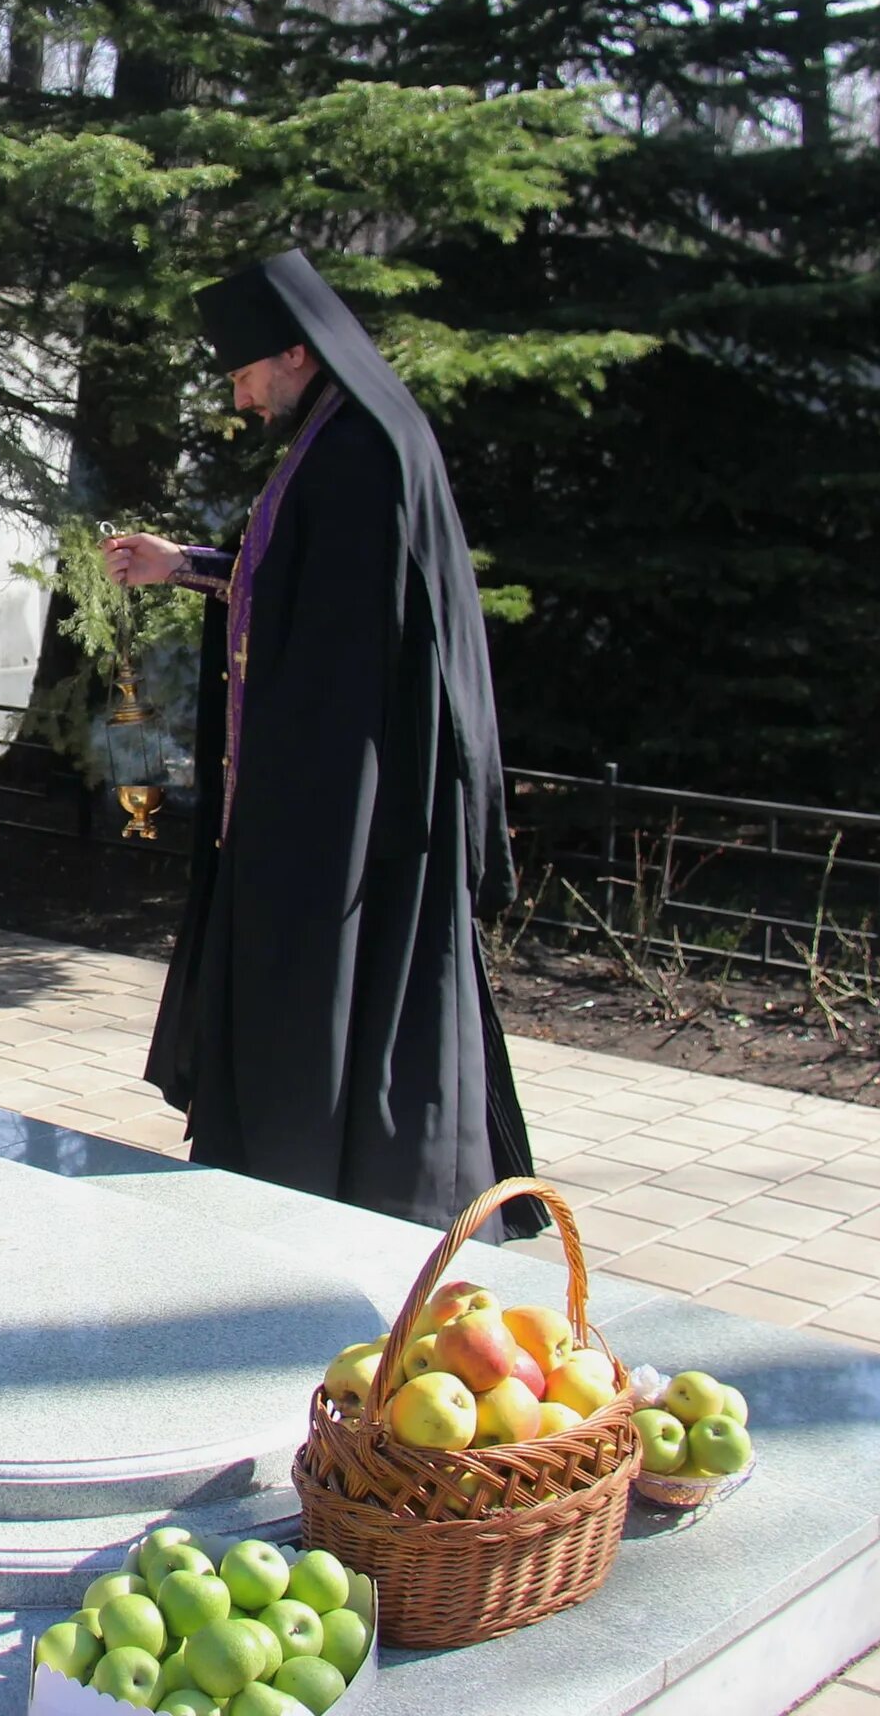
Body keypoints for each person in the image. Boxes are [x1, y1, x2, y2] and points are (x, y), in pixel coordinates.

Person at [103, 250, 539, 1235]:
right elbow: (297, 584)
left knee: (346, 975)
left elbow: (354, 636)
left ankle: (338, 1177)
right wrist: (188, 566)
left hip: (352, 796)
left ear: (294, 352)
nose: (242, 395)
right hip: (328, 773)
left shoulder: (360, 450)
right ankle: (291, 1157)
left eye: (244, 372)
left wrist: (301, 805)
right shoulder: (338, 436)